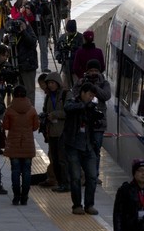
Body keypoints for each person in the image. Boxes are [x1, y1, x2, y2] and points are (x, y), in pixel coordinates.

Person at [71, 59, 111, 185]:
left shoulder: (104, 83)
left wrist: (94, 88)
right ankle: (83, 174)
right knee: (83, 148)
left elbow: (106, 96)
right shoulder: (81, 82)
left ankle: (94, 175)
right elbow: (75, 95)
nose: (93, 73)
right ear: (86, 72)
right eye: (91, 71)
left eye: (96, 71)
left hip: (99, 123)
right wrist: (84, 85)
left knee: (96, 149)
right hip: (84, 121)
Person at [63, 83, 100, 215]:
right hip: (73, 145)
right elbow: (67, 108)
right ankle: (77, 205)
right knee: (75, 177)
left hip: (88, 146)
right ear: (83, 93)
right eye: (90, 95)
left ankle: (89, 204)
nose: (91, 98)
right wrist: (84, 106)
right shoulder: (72, 101)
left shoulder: (91, 106)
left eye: (93, 96)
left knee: (92, 176)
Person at [3, 85, 40, 205]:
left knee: (15, 170)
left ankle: (16, 196)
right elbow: (35, 127)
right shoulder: (32, 109)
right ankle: (25, 196)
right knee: (27, 171)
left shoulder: (9, 109)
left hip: (14, 144)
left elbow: (6, 126)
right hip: (28, 144)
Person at [42, 72, 70, 193]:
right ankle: (60, 182)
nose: (51, 85)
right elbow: (45, 111)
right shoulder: (48, 96)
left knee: (62, 160)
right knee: (54, 159)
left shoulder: (65, 95)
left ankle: (65, 183)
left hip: (63, 132)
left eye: (53, 83)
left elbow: (68, 111)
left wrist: (54, 114)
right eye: (49, 83)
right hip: (52, 132)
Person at [4, 18, 38, 105]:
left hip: (28, 66)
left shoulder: (28, 30)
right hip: (15, 64)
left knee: (29, 91)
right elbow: (7, 45)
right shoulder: (13, 33)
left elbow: (32, 42)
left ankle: (30, 112)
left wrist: (23, 31)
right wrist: (7, 38)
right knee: (16, 90)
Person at [55, 19, 83, 87]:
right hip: (65, 68)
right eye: (68, 32)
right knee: (64, 88)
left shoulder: (80, 37)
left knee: (76, 88)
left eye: (72, 32)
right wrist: (58, 56)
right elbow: (57, 49)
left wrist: (75, 51)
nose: (70, 34)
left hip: (77, 70)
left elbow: (83, 51)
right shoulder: (63, 37)